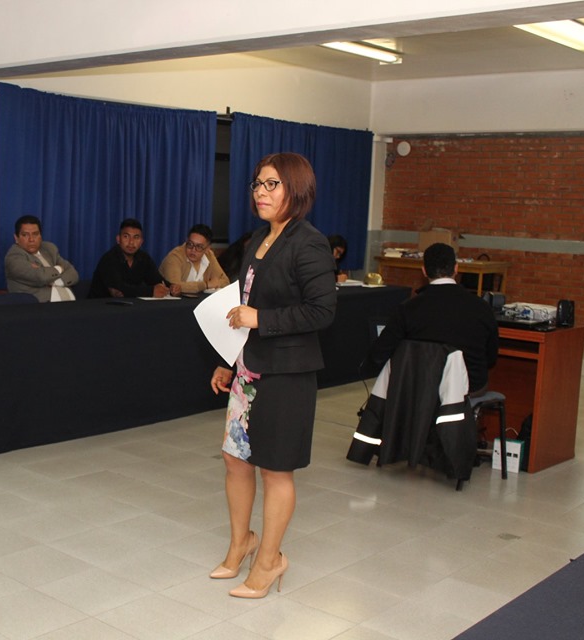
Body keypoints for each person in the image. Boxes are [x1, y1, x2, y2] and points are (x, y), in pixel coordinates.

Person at [209, 152, 337, 598]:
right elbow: (242, 308)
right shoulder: (258, 240)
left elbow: (322, 311)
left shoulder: (309, 243)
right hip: (249, 368)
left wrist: (261, 319)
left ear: (296, 190)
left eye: (272, 185)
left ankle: (270, 561)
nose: (260, 193)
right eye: (258, 184)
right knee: (235, 459)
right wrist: (229, 359)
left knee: (275, 470)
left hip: (287, 372)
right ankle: (240, 543)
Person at [366, 242, 498, 394]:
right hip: (469, 389)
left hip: (421, 390)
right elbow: (490, 359)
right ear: (456, 268)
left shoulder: (408, 309)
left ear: (424, 271)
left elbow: (378, 354)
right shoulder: (482, 307)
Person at [4, 215, 79, 302]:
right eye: (25, 235)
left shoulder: (49, 249)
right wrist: (59, 269)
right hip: (39, 306)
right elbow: (40, 277)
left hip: (70, 302)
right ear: (16, 238)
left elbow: (73, 274)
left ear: (40, 236)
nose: (31, 239)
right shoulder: (13, 256)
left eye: (35, 234)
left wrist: (56, 282)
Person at [89, 218, 168, 298]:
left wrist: (171, 287)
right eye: (126, 236)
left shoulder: (144, 258)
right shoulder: (109, 259)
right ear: (118, 239)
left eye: (136, 237)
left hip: (130, 304)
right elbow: (120, 289)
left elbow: (158, 281)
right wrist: (151, 291)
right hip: (99, 304)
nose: (131, 242)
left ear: (141, 242)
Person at [159, 223, 230, 296]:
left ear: (207, 249)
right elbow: (174, 286)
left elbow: (225, 282)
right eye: (190, 244)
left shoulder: (209, 256)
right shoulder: (175, 257)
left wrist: (215, 283)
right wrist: (206, 285)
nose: (193, 250)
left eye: (199, 246)